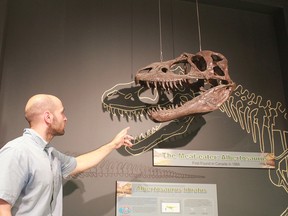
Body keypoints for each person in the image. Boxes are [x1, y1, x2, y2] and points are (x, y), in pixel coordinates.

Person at [0, 94, 133, 216]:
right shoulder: (16, 151)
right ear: (48, 117)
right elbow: (2, 208)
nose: (65, 117)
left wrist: (113, 145)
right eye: (62, 112)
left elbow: (79, 163)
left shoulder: (50, 154)